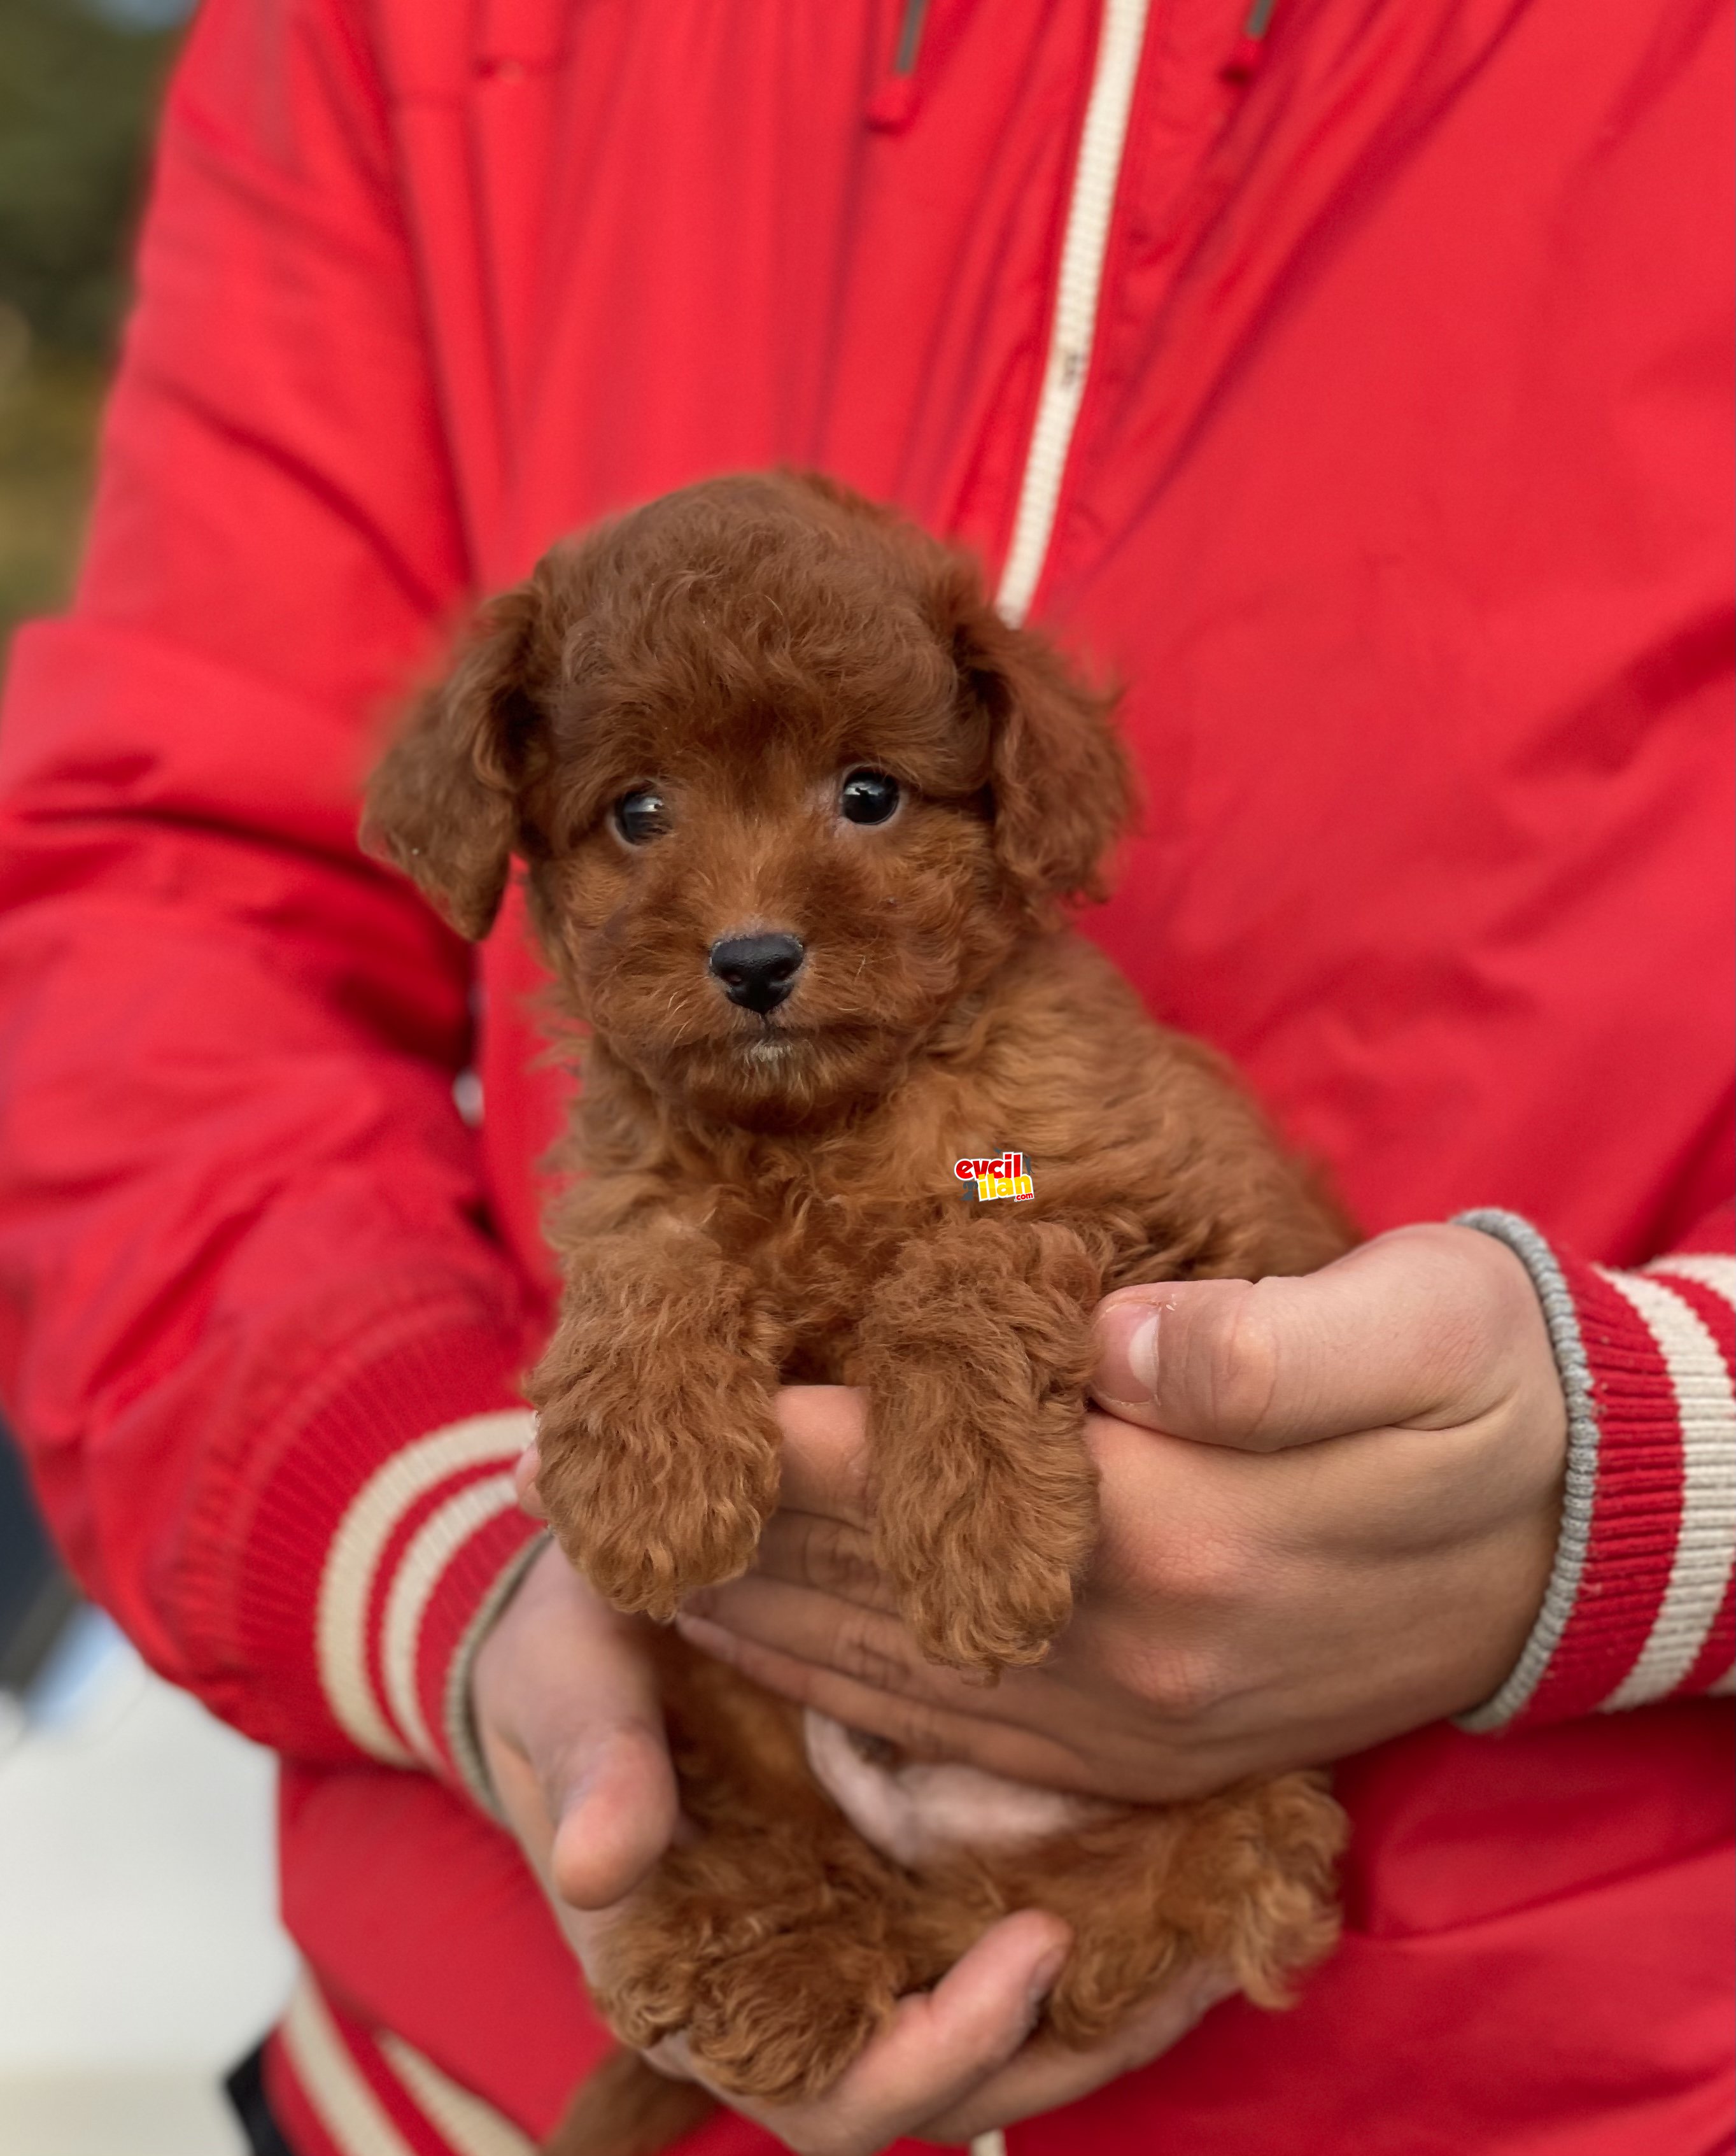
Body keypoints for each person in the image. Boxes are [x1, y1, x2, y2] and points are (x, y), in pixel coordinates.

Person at [0, 3, 1729, 2152]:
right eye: (637, 817)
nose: (747, 911)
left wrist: (1666, 1469)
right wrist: (459, 1557)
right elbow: (159, 914)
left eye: (868, 794)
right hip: (486, 2044)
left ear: (1010, 798)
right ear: (518, 817)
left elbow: (1013, 1184)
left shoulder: (1002, 1114)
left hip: (1532, 2060)